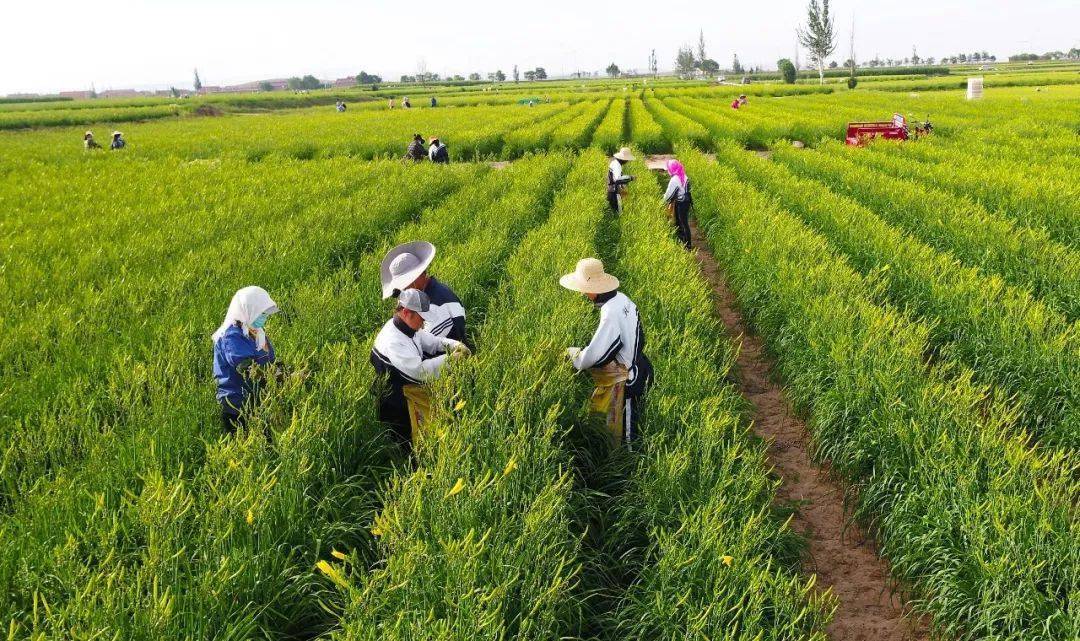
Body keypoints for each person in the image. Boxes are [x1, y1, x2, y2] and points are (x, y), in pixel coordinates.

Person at [561, 258, 652, 447]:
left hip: (629, 379)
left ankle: (630, 462)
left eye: (584, 289)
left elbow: (598, 355)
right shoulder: (622, 299)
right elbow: (639, 336)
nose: (583, 293)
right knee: (635, 419)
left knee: (628, 433)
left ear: (593, 289)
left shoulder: (610, 312)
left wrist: (574, 356)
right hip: (641, 365)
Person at [370, 288, 470, 452]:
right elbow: (420, 372)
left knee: (427, 433)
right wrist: (451, 359)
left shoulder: (408, 328)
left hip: (409, 392)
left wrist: (454, 345)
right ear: (406, 312)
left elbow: (432, 342)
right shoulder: (393, 341)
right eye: (421, 318)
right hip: (396, 401)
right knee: (409, 444)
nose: (423, 323)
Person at [212, 286, 280, 436]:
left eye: (265, 314)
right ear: (248, 309)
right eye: (261, 313)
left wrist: (288, 372)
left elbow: (270, 362)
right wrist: (279, 378)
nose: (264, 318)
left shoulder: (256, 333)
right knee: (245, 443)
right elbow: (248, 369)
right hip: (237, 406)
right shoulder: (231, 336)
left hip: (258, 402)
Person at [380, 241, 468, 347]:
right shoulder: (431, 289)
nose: (402, 289)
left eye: (404, 283)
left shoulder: (433, 306)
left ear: (417, 276)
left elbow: (424, 345)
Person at [662, 159, 693, 249]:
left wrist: (662, 201)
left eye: (668, 169)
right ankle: (687, 243)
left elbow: (668, 195)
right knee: (684, 222)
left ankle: (685, 244)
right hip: (686, 202)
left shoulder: (674, 180)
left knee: (680, 223)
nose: (668, 171)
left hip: (680, 203)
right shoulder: (684, 176)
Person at [607, 147, 636, 214]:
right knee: (619, 212)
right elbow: (618, 179)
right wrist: (631, 177)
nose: (627, 161)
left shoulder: (615, 163)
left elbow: (616, 178)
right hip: (614, 192)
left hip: (612, 190)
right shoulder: (617, 166)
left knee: (616, 212)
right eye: (627, 159)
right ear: (623, 159)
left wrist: (622, 188)